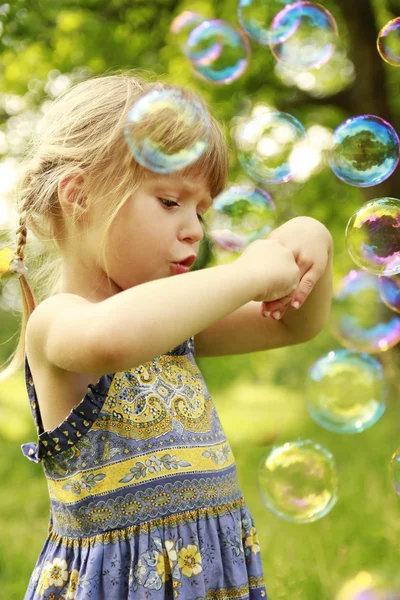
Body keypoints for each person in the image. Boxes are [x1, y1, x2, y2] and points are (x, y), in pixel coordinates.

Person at [0, 69, 333, 600]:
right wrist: (247, 273)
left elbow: (294, 322)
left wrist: (308, 237)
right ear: (80, 196)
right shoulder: (59, 322)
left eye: (201, 209)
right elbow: (111, 340)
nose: (194, 230)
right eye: (170, 201)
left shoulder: (176, 326)